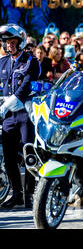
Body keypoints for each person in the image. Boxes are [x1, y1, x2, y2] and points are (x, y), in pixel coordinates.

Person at [0, 24, 40, 208]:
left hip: (25, 114)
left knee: (28, 154)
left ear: (21, 41)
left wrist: (7, 104)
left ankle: (29, 196)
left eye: (13, 42)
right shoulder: (2, 62)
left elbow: (25, 87)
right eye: (7, 42)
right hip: (8, 116)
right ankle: (16, 193)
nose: (10, 46)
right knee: (8, 157)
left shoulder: (31, 61)